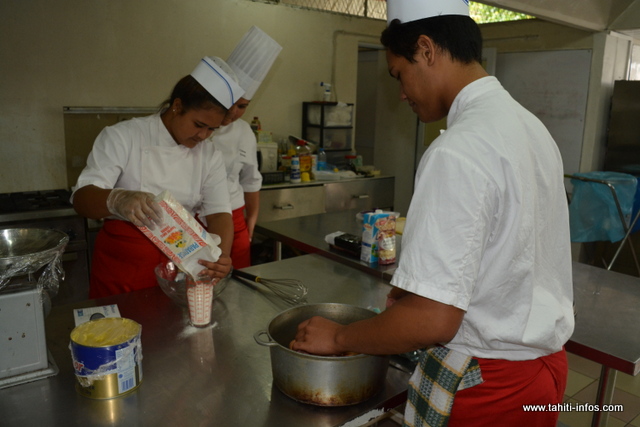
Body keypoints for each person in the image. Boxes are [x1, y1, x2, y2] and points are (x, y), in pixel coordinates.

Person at [290, 1, 575, 425]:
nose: (401, 93)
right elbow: (505, 255)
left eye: (399, 75)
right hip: (542, 374)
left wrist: (339, 335)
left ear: (426, 49)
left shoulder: (458, 149)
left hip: (488, 386)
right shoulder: (529, 127)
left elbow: (434, 320)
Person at [72, 57, 244, 298]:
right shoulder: (124, 136)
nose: (203, 135)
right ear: (177, 106)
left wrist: (221, 257)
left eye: (212, 129)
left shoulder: (209, 154)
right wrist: (117, 199)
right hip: (124, 270)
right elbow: (82, 199)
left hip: (183, 267)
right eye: (198, 124)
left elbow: (218, 212)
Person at [211, 26, 282, 269]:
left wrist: (250, 220)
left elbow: (250, 180)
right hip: (195, 219)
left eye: (242, 106)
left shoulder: (243, 132)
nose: (233, 112)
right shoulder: (197, 128)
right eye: (229, 103)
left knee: (236, 285)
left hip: (235, 217)